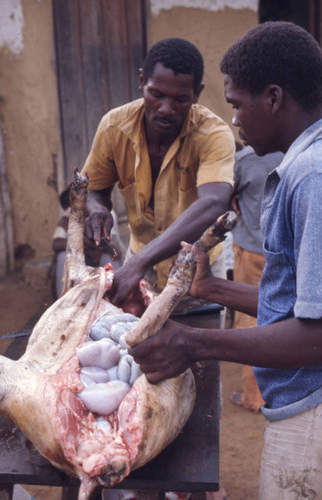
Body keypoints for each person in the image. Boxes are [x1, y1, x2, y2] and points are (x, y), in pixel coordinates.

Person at [129, 21, 322, 499]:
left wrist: (195, 343)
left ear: (273, 99)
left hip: (311, 416)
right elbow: (302, 307)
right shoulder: (304, 166)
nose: (234, 120)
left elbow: (316, 338)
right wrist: (212, 289)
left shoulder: (311, 177)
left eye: (236, 104)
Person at [80, 37, 235, 310]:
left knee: (201, 346)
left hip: (197, 271)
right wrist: (96, 207)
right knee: (131, 346)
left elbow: (214, 202)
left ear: (197, 93)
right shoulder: (114, 127)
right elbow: (94, 187)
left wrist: (139, 262)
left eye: (180, 99)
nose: (166, 108)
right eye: (156, 94)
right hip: (139, 266)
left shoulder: (213, 134)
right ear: (142, 81)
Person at [230, 145, 284, 413]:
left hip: (251, 249)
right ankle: (280, 390)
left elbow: (225, 194)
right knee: (284, 316)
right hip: (285, 251)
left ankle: (253, 396)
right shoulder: (297, 149)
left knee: (250, 321)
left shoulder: (245, 160)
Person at [51, 185, 124, 299]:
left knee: (110, 257)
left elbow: (113, 248)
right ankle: (64, 301)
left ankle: (117, 298)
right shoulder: (68, 218)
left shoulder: (107, 215)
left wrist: (99, 246)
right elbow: (56, 243)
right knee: (63, 257)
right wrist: (82, 244)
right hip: (81, 263)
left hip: (101, 259)